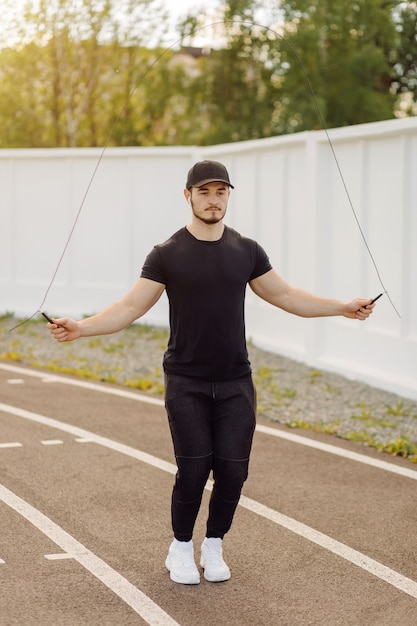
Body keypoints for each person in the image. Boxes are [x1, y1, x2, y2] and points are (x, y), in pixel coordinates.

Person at [46, 159, 374, 585]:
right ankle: (180, 546)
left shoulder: (247, 251)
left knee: (234, 471)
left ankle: (213, 543)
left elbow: (288, 296)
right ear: (188, 196)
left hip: (236, 380)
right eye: (204, 192)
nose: (213, 200)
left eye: (221, 192)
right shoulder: (166, 254)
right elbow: (129, 307)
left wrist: (342, 307)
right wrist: (82, 327)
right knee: (195, 469)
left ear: (228, 196)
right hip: (186, 381)